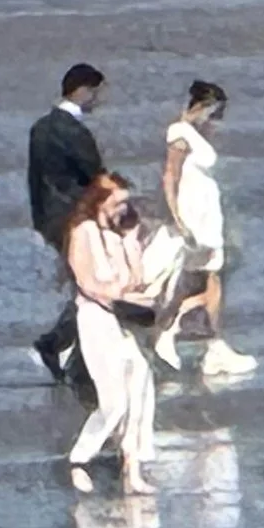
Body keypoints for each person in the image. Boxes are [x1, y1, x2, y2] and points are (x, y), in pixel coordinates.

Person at [154, 81, 257, 377]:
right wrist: (177, 219)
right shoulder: (180, 133)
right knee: (202, 279)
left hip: (206, 214)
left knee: (204, 278)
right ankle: (186, 335)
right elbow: (170, 178)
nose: (216, 121)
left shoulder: (194, 134)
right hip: (193, 215)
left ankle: (203, 341)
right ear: (204, 107)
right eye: (215, 113)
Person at [65, 174, 158, 496]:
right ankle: (79, 459)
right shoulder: (83, 232)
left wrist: (132, 244)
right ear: (99, 202)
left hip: (125, 320)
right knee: (114, 400)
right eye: (117, 201)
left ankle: (133, 467)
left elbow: (137, 280)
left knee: (140, 389)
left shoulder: (119, 236)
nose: (123, 208)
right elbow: (86, 282)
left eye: (125, 202)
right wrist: (115, 293)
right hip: (96, 319)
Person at [27, 63, 107, 389]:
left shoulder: (40, 128)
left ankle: (71, 354)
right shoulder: (75, 132)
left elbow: (34, 180)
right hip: (78, 218)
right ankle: (58, 346)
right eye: (97, 93)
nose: (98, 101)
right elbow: (96, 179)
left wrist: (40, 222)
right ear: (82, 90)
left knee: (83, 286)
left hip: (50, 217)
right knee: (91, 288)